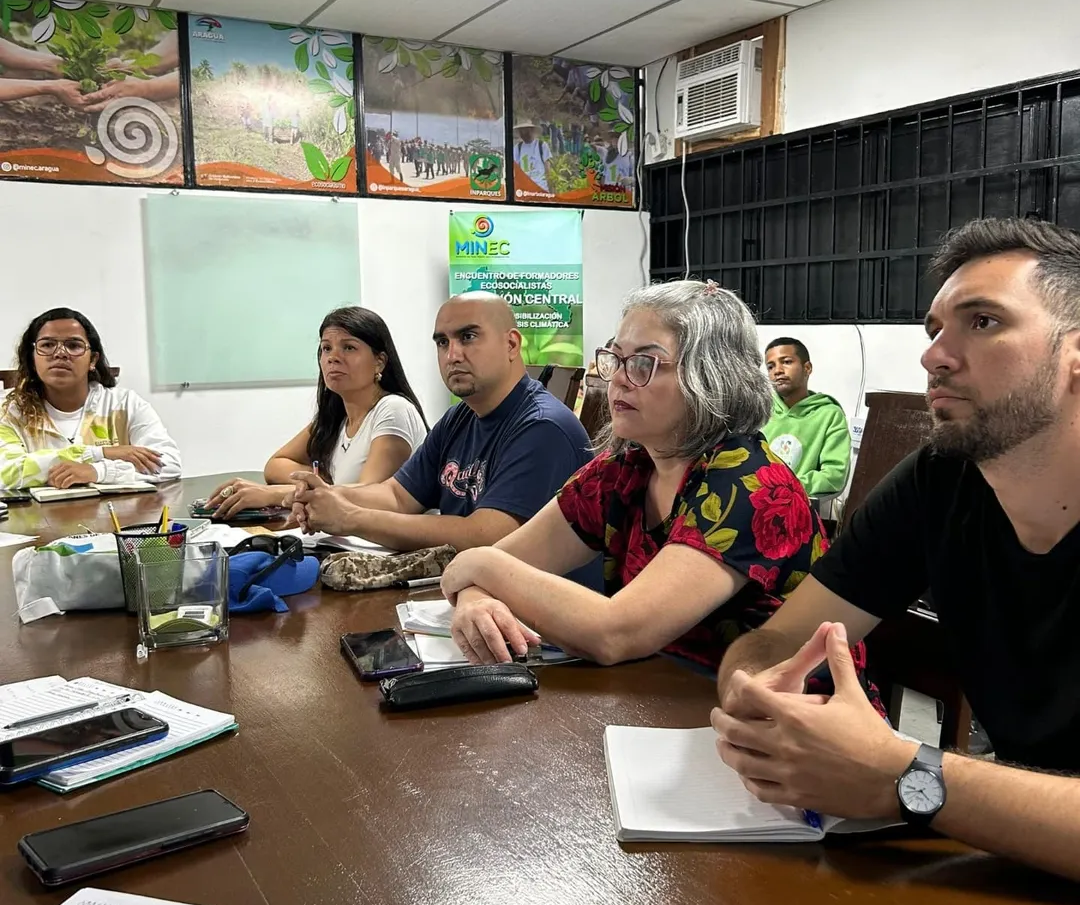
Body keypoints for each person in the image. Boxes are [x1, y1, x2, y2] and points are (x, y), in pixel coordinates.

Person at [712, 217, 1080, 882]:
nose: (934, 355)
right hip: (1010, 872)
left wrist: (907, 777)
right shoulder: (941, 479)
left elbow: (909, 776)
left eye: (983, 322)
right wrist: (757, 694)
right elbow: (779, 640)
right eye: (934, 330)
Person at [440, 280, 878, 681]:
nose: (618, 380)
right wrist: (478, 597)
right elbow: (506, 564)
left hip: (790, 721)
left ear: (711, 375)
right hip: (669, 700)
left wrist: (478, 565)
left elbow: (615, 633)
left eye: (644, 363)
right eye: (616, 359)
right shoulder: (624, 470)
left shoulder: (752, 484)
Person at [290, 293, 595, 570]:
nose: (452, 355)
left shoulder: (543, 427)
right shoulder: (460, 417)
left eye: (468, 337)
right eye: (442, 343)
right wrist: (325, 496)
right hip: (471, 595)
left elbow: (485, 537)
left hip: (533, 611)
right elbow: (397, 495)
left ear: (511, 345)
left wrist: (349, 518)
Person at [207, 307, 427, 519]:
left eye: (349, 348)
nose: (333, 357)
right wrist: (321, 484)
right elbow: (276, 465)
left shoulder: (393, 410)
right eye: (326, 348)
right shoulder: (336, 418)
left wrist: (276, 494)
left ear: (380, 362)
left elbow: (370, 495)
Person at [0, 308, 181, 489]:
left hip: (117, 508)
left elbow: (168, 463)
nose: (60, 353)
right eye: (47, 345)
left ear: (93, 360)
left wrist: (98, 472)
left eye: (73, 345)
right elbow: (6, 473)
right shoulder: (8, 409)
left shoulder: (125, 404)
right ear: (32, 358)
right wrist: (100, 453)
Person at [762, 338, 851, 497]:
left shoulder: (829, 415)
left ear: (807, 368)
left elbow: (834, 475)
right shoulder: (761, 411)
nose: (777, 371)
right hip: (756, 503)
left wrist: (785, 488)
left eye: (786, 362)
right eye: (771, 366)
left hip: (800, 504)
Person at [514, 121, 551, 192]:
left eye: (526, 132)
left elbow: (547, 168)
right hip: (525, 189)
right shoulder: (518, 148)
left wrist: (550, 187)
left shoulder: (542, 145)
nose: (523, 134)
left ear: (531, 131)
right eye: (521, 132)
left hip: (541, 187)